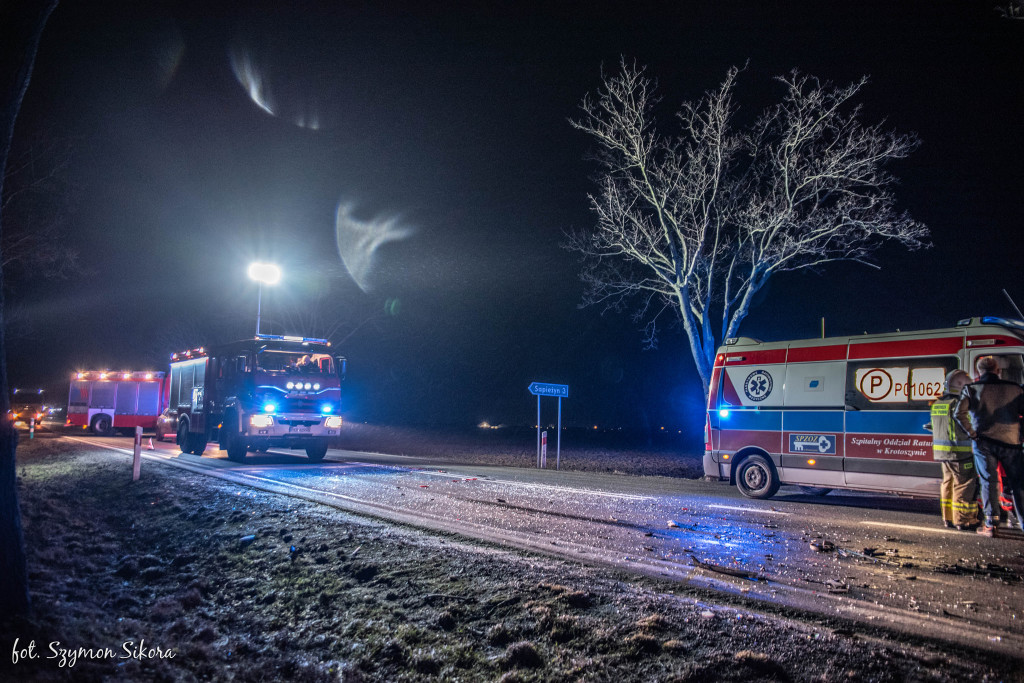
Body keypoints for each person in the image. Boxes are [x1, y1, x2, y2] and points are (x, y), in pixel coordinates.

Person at [954, 356, 1024, 537]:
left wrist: (972, 433)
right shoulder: (1015, 389)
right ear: (998, 370)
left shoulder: (971, 389)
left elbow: (958, 414)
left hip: (983, 442)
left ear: (979, 372)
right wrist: (1021, 434)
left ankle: (991, 525)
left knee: (989, 482)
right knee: (1018, 484)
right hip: (1011, 442)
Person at [927, 370, 978, 530]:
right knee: (964, 485)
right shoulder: (959, 404)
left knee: (948, 484)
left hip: (943, 453)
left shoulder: (938, 403)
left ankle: (948, 518)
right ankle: (963, 520)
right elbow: (968, 424)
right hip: (960, 452)